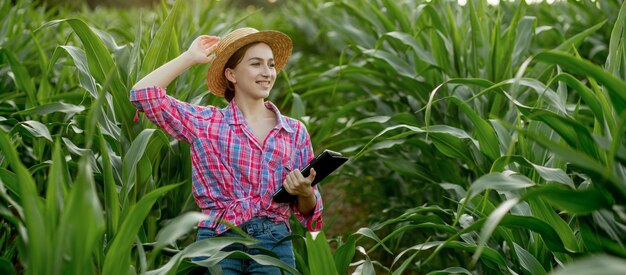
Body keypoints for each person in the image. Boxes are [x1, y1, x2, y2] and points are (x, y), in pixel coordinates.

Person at [129, 27, 323, 274]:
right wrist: (190, 57)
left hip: (274, 244)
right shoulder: (205, 123)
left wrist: (305, 192)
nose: (267, 73)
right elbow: (142, 95)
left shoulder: (294, 131)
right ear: (231, 74)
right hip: (217, 242)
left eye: (271, 65)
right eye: (256, 64)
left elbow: (310, 213)